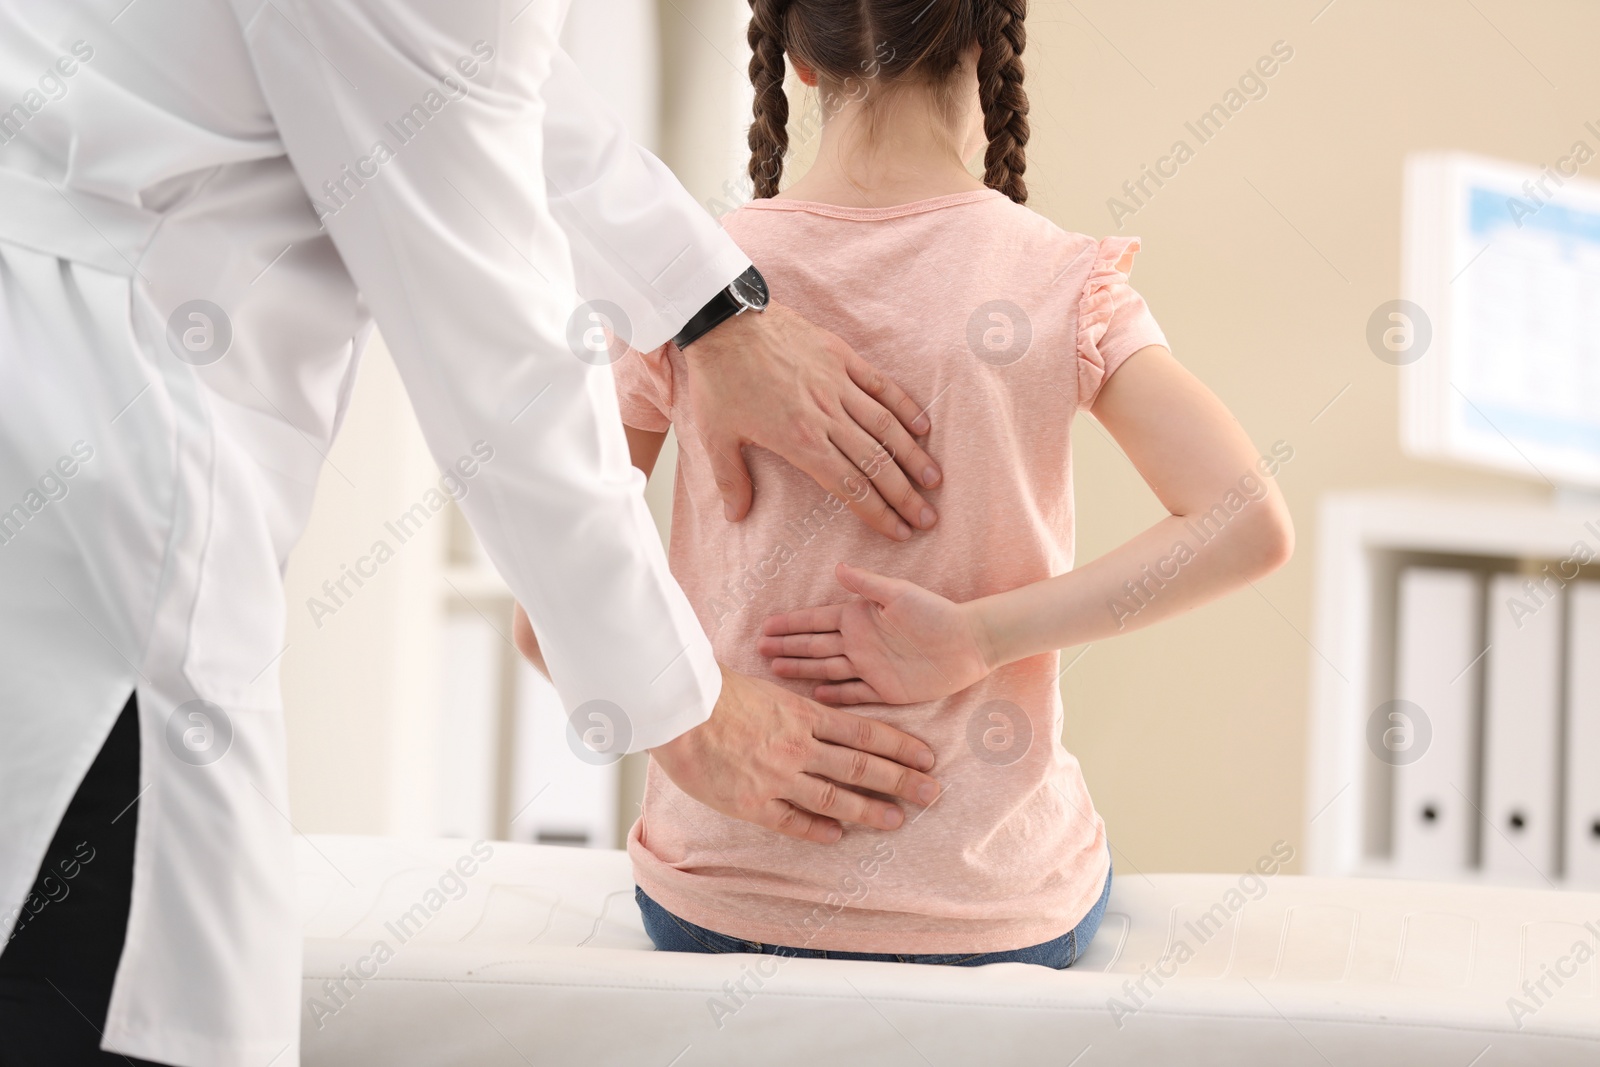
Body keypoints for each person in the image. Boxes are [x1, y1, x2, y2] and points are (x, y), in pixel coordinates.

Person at [0, 3, 948, 1065]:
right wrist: (679, 703)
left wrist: (707, 308)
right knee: (108, 974)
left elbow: (484, 85)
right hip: (71, 451)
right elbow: (500, 348)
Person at [514, 0, 1293, 967]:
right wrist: (978, 637)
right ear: (987, 45)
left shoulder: (682, 293)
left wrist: (699, 721)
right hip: (988, 915)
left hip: (713, 901)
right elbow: (1249, 525)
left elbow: (541, 615)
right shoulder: (1058, 277)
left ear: (794, 58)